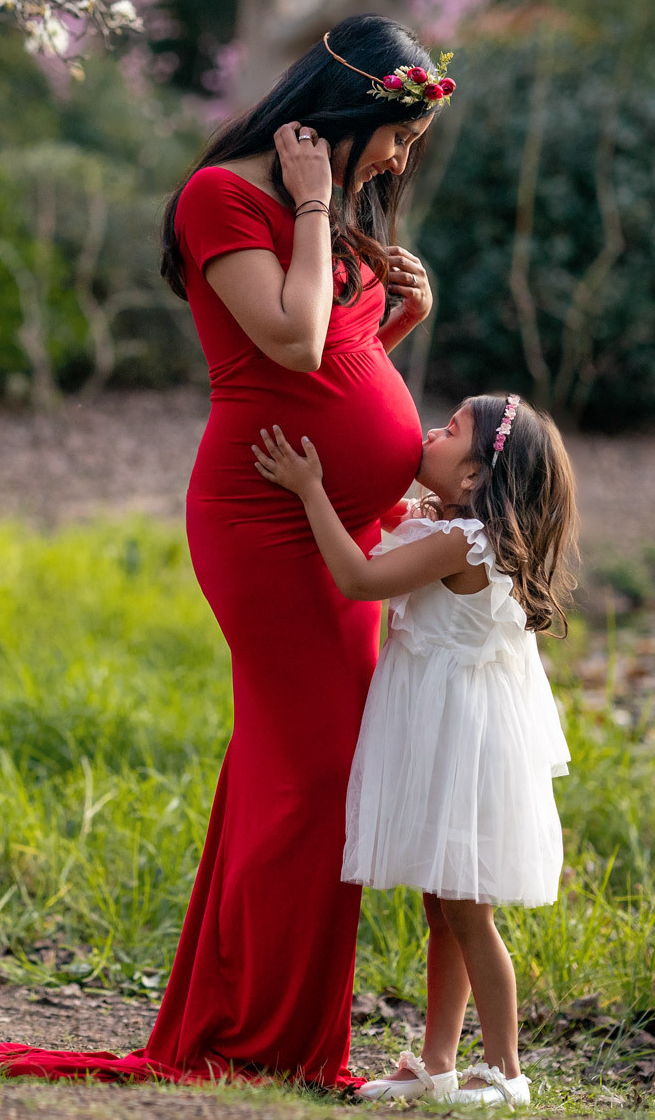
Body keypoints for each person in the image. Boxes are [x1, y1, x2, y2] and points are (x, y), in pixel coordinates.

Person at [0, 15, 453, 1089]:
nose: (398, 158)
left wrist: (393, 321)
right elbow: (283, 341)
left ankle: (261, 1020)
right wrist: (324, 208)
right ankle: (265, 1041)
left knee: (297, 771)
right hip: (265, 522)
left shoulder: (310, 206)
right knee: (313, 775)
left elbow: (326, 358)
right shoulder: (221, 198)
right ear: (346, 111)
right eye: (394, 134)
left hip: (341, 526)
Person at [251, 392, 578, 1107]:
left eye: (451, 427)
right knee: (444, 906)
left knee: (467, 910)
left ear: (472, 478)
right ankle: (436, 1062)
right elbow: (387, 522)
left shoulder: (465, 543)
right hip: (443, 732)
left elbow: (360, 579)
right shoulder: (452, 525)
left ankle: (505, 1070)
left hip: (461, 744)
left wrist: (309, 489)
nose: (433, 427)